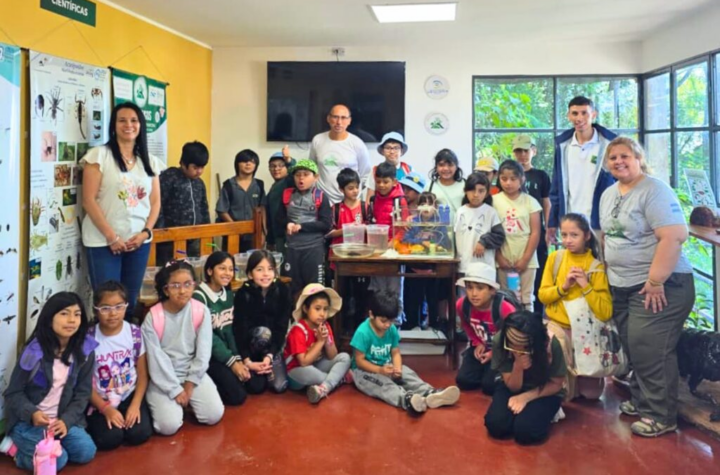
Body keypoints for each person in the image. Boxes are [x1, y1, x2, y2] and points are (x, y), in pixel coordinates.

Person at [599, 136, 694, 437]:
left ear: (638, 158)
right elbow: (606, 236)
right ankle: (642, 400)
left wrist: (655, 280)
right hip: (623, 284)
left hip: (660, 285)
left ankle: (660, 415)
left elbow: (675, 235)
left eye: (625, 156)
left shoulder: (655, 190)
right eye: (613, 157)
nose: (619, 161)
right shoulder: (609, 193)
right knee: (633, 346)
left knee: (650, 347)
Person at [81, 102, 163, 321]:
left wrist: (146, 233)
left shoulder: (150, 161)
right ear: (114, 125)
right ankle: (103, 343)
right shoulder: (99, 156)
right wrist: (112, 237)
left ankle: (126, 341)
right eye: (122, 120)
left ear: (141, 125)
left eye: (134, 120)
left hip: (138, 243)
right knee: (107, 304)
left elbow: (155, 203)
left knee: (129, 303)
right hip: (103, 242)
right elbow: (88, 200)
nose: (128, 125)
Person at [2, 292, 97, 471]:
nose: (72, 320)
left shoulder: (85, 350)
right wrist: (32, 413)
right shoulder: (34, 351)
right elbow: (13, 393)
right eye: (64, 313)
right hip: (30, 422)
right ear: (49, 319)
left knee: (86, 452)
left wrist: (67, 420)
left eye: (77, 314)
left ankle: (48, 445)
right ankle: (14, 450)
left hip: (61, 420)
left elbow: (83, 393)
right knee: (58, 461)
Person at [142, 261, 224, 436]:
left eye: (188, 284)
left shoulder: (200, 311)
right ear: (166, 290)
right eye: (175, 286)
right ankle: (168, 406)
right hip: (163, 377)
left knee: (214, 415)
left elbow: (203, 353)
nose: (182, 291)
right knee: (168, 427)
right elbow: (156, 358)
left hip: (191, 374)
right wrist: (174, 390)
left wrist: (190, 383)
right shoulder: (153, 317)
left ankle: (187, 404)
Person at [351, 289, 461, 416]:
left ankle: (430, 393)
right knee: (384, 385)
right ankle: (407, 400)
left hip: (387, 367)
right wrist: (379, 370)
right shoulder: (363, 332)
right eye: (383, 321)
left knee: (407, 373)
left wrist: (397, 368)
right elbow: (359, 361)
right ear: (371, 315)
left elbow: (395, 352)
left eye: (391, 321)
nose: (387, 325)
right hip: (365, 372)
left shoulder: (391, 329)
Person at [539, 213, 612, 400]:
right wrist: (563, 287)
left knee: (591, 395)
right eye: (564, 235)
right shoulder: (555, 258)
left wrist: (585, 286)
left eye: (574, 235)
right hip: (557, 327)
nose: (568, 240)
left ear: (586, 236)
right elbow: (543, 296)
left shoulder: (595, 266)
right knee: (564, 392)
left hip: (585, 333)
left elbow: (605, 312)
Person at [86, 281, 152, 450]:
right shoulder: (89, 338)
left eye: (119, 307)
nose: (113, 313)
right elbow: (83, 382)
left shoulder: (135, 333)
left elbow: (142, 375)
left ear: (126, 306)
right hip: (101, 399)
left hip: (128, 395)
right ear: (96, 309)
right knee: (110, 439)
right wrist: (105, 409)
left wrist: (135, 405)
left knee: (139, 434)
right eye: (105, 308)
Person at [484, 311, 567, 445]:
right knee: (496, 426)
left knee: (526, 432)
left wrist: (526, 397)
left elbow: (557, 384)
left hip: (544, 389)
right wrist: (518, 366)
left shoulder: (551, 344)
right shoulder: (500, 340)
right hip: (511, 384)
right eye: (511, 344)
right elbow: (512, 387)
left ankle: (551, 412)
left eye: (524, 347)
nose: (516, 350)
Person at [548, 96, 617, 243]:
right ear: (568, 116)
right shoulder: (563, 146)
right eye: (575, 113)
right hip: (571, 221)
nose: (579, 118)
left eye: (584, 113)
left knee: (601, 258)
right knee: (573, 258)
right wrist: (552, 221)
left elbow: (620, 182)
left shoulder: (609, 144)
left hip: (601, 221)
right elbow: (556, 186)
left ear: (594, 114)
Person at [193, 252, 249, 406]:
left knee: (252, 384)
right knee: (237, 396)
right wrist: (232, 363)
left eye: (231, 269)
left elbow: (230, 331)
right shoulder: (199, 296)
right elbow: (209, 337)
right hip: (208, 355)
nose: (227, 273)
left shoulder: (228, 294)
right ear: (210, 271)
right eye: (222, 268)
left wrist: (238, 359)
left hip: (225, 354)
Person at [233, 250, 292, 394]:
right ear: (250, 274)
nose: (266, 274)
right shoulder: (243, 294)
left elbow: (281, 327)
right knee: (256, 388)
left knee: (279, 386)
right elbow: (239, 330)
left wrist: (270, 355)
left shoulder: (282, 290)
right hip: (251, 347)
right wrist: (247, 360)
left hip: (272, 347)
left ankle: (268, 363)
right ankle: (255, 366)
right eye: (259, 270)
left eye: (270, 269)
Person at [284, 284, 351, 404]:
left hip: (317, 364)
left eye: (325, 309)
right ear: (305, 309)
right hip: (297, 371)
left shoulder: (325, 326)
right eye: (317, 308)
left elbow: (332, 356)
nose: (322, 314)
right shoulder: (298, 330)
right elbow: (303, 362)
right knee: (313, 372)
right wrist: (320, 341)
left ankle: (323, 387)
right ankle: (336, 380)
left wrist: (326, 339)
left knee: (345, 357)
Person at [455, 263, 516, 394]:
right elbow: (467, 326)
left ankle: (491, 374)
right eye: (469, 288)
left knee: (489, 387)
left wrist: (494, 353)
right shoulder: (462, 305)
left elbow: (514, 338)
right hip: (480, 347)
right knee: (464, 381)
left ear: (492, 290)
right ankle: (485, 371)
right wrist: (477, 342)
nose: (474, 294)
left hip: (503, 350)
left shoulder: (505, 308)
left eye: (480, 288)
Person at [277, 159, 332, 297]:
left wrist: (302, 227)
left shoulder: (320, 196)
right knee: (291, 287)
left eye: (306, 174)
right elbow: (278, 218)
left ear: (315, 177)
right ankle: (293, 311)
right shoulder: (287, 195)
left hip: (314, 249)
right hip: (292, 248)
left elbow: (326, 224)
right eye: (298, 175)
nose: (301, 178)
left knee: (315, 288)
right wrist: (287, 224)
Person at [494, 160, 542, 311]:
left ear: (522, 179)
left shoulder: (530, 202)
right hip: (503, 259)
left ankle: (528, 325)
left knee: (526, 299)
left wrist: (525, 259)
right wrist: (499, 257)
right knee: (506, 298)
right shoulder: (493, 201)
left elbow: (535, 232)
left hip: (527, 259)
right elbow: (490, 232)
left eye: (513, 179)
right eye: (504, 179)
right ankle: (507, 325)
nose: (508, 183)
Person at [512, 134, 551, 315]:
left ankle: (537, 316)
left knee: (538, 275)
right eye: (518, 151)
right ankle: (514, 314)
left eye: (526, 151)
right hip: (514, 233)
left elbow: (546, 202)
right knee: (513, 277)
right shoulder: (509, 176)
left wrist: (549, 228)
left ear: (533, 151)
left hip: (537, 232)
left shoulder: (541, 175)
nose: (522, 155)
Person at [156, 141, 211, 264]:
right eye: (195, 168)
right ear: (183, 163)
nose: (199, 171)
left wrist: (207, 234)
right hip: (170, 240)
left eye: (202, 167)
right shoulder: (169, 178)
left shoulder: (199, 183)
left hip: (195, 239)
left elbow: (204, 209)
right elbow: (158, 206)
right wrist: (162, 232)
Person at [401, 192, 446, 332]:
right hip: (414, 267)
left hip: (433, 268)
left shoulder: (440, 223)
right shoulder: (413, 222)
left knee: (433, 298)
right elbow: (406, 239)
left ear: (435, 207)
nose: (426, 207)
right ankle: (412, 324)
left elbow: (445, 241)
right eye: (422, 203)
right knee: (413, 298)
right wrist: (421, 241)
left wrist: (433, 244)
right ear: (417, 206)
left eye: (430, 203)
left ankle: (433, 325)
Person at [309, 104, 371, 204]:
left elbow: (365, 175)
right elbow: (312, 169)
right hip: (322, 202)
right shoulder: (317, 140)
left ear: (349, 121)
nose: (339, 122)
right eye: (335, 117)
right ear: (328, 118)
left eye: (343, 118)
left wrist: (352, 193)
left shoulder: (357, 144)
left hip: (349, 203)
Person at [454, 172, 504, 273]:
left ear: (487, 193)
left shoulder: (490, 212)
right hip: (463, 266)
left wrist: (483, 242)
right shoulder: (460, 211)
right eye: (472, 190)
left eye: (481, 191)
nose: (476, 194)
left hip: (484, 267)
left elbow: (499, 236)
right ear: (465, 191)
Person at [216, 149, 266, 251]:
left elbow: (262, 208)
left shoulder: (259, 185)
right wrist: (236, 228)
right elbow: (222, 210)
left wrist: (263, 231)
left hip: (254, 234)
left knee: (253, 260)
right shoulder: (228, 185)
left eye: (252, 162)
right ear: (237, 164)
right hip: (232, 234)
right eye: (244, 161)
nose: (248, 164)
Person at [265, 146, 296, 257]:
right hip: (277, 235)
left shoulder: (289, 182)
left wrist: (289, 160)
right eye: (272, 166)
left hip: (288, 234)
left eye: (280, 165)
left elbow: (294, 172)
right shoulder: (274, 186)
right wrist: (270, 240)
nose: (276, 169)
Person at [327, 167, 369, 246]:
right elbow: (328, 234)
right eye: (351, 188)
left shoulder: (365, 207)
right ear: (341, 189)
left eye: (357, 187)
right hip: (339, 250)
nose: (355, 191)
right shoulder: (335, 209)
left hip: (361, 249)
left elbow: (373, 229)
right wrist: (347, 229)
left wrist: (362, 227)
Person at [367, 132, 412, 200]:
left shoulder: (408, 170)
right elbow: (369, 198)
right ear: (382, 150)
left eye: (396, 148)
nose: (392, 152)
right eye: (388, 148)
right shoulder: (375, 170)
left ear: (402, 151)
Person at [425, 148, 465, 224]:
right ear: (436, 167)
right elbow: (424, 211)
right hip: (439, 229)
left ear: (456, 166)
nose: (446, 168)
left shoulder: (466, 184)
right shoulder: (429, 187)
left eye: (450, 165)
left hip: (464, 228)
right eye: (441, 165)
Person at [370, 161, 409, 233]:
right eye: (378, 182)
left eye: (385, 182)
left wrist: (395, 240)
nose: (381, 185)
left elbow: (404, 227)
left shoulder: (400, 201)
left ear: (394, 182)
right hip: (377, 238)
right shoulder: (373, 200)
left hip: (395, 239)